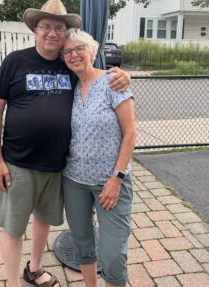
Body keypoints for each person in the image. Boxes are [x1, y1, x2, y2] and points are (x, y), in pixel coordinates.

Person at [0, 0, 131, 287]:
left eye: (58, 28)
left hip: (57, 165)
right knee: (14, 227)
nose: (52, 33)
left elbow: (97, 76)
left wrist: (123, 75)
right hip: (19, 162)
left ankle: (35, 268)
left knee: (43, 221)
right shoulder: (16, 61)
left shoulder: (70, 65)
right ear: (35, 29)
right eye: (46, 27)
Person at [62, 29, 136, 287]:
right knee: (82, 242)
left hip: (111, 181)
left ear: (91, 51)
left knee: (113, 252)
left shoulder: (112, 82)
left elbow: (130, 134)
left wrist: (116, 178)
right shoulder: (67, 87)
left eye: (78, 48)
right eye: (67, 51)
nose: (73, 55)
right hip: (73, 180)